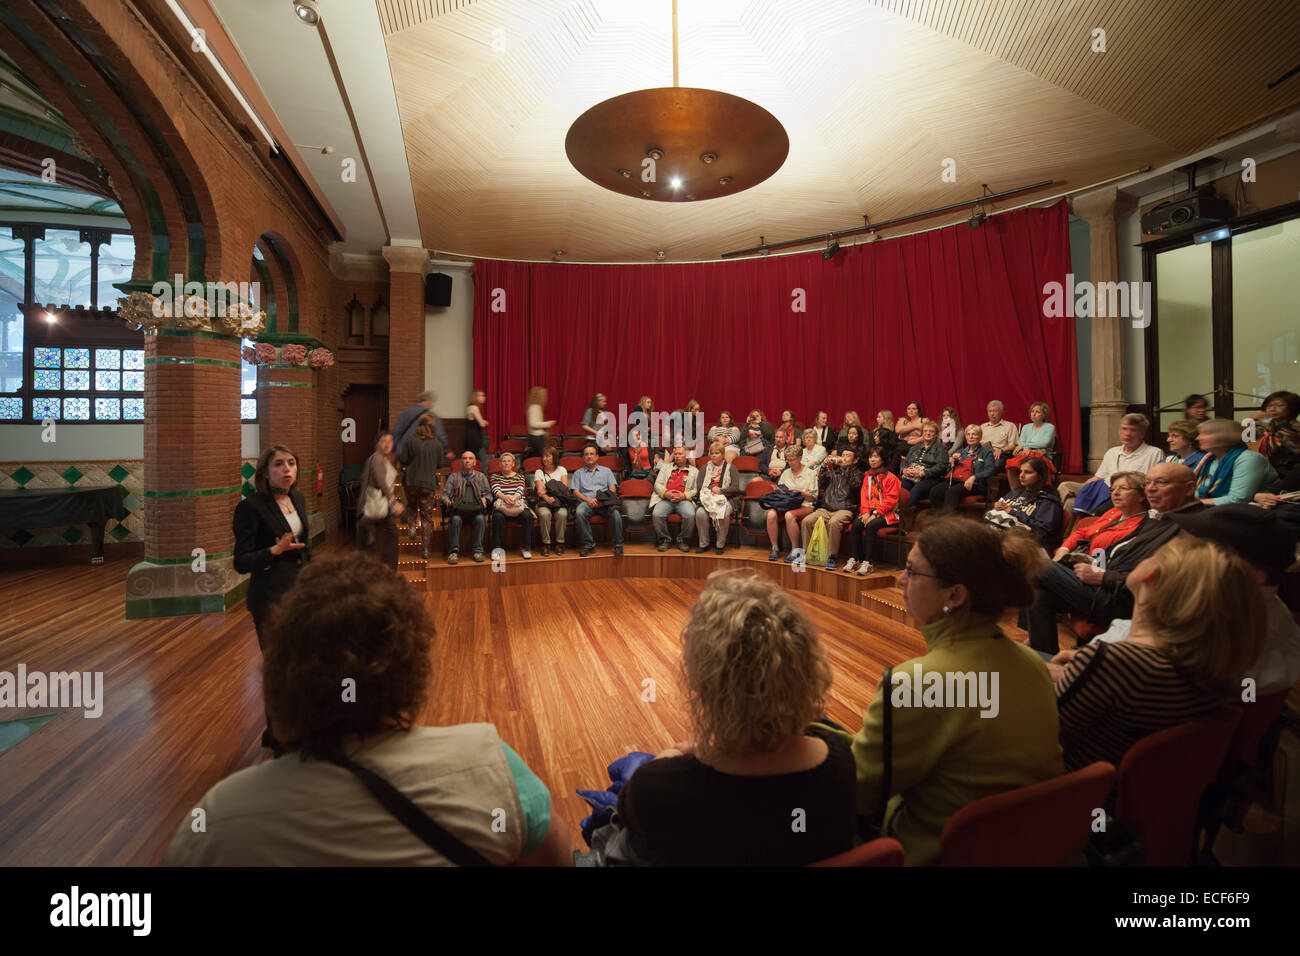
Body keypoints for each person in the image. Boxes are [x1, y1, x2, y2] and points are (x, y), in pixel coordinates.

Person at [164, 553, 570, 866]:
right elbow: (556, 858)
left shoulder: (217, 821)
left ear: (282, 669)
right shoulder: (491, 765)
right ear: (412, 664)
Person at [850, 520, 1063, 865]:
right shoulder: (1032, 663)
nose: (901, 580)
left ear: (955, 595)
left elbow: (858, 795)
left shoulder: (918, 683)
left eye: (912, 571)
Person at [615, 572, 855, 866]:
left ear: (705, 680)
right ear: (804, 667)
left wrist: (669, 761)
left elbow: (629, 815)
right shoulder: (841, 760)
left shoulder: (657, 789)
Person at [1052, 536, 1264, 773]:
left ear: (1151, 576)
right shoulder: (1213, 669)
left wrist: (1051, 672)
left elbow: (1041, 735)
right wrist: (1080, 674)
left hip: (1063, 786)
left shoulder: (1115, 661)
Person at [1083, 504, 1300, 698]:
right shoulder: (1266, 611)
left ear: (1249, 572)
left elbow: (1130, 674)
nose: (1175, 552)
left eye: (1194, 548)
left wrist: (1089, 666)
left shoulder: (1213, 624)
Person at [1021, 462, 1207, 654]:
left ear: (1189, 488)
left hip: (1122, 598)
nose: (1150, 488)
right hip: (1104, 582)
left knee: (1034, 562)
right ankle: (1044, 657)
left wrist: (1104, 576)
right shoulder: (1157, 518)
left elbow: (1166, 583)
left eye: (1161, 483)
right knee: (1039, 591)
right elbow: (1116, 550)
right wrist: (1089, 564)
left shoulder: (1192, 527)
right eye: (1149, 482)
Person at [233, 443, 311, 754]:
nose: (287, 469)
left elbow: (306, 550)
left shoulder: (299, 499)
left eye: (291, 463)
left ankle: (296, 729)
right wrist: (273, 551)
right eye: (279, 464)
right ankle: (280, 738)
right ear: (265, 472)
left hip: (301, 593)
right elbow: (241, 561)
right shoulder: (251, 507)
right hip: (270, 596)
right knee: (280, 667)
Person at [1057, 413, 1163, 516]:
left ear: (1142, 433)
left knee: (1072, 503)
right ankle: (1064, 531)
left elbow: (1154, 483)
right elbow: (1098, 477)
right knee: (1066, 487)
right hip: (1104, 489)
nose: (1127, 434)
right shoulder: (1112, 452)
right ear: (1119, 431)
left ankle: (1070, 529)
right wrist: (1085, 490)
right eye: (1124, 429)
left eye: (1133, 430)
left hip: (1126, 494)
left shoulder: (1153, 453)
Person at [1050, 472, 1147, 566]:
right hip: (1077, 560)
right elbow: (1083, 531)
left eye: (1123, 488)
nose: (1115, 493)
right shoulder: (1114, 512)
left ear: (1142, 495)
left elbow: (1107, 563)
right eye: (1112, 489)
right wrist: (1064, 549)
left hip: (1094, 572)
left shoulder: (1142, 525)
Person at [799, 447, 865, 571]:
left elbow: (855, 485)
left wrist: (846, 468)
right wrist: (824, 467)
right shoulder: (833, 471)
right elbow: (821, 485)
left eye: (848, 455)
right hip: (827, 508)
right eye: (843, 455)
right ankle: (806, 553)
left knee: (834, 522)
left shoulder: (858, 473)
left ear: (855, 460)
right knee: (807, 521)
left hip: (845, 508)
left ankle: (832, 556)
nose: (843, 457)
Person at [843, 447, 901, 576]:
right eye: (870, 457)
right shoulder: (867, 476)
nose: (872, 460)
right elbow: (864, 497)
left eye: (876, 457)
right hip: (870, 511)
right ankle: (855, 559)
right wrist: (865, 512)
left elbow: (890, 501)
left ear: (883, 459)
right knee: (856, 524)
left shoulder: (892, 478)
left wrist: (875, 514)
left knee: (870, 525)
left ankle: (868, 562)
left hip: (887, 513)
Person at [986, 457, 1063, 549]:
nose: (1021, 476)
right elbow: (1000, 509)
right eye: (1020, 471)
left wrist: (1012, 511)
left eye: (1028, 472)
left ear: (1040, 476)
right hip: (997, 535)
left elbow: (1043, 531)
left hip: (1025, 545)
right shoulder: (1016, 493)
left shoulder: (1048, 499)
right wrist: (997, 507)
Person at [1195, 418, 1276, 505]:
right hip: (1216, 510)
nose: (1197, 438)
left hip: (1250, 512)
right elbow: (1202, 489)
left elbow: (1238, 499)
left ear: (1224, 436)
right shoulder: (1210, 459)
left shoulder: (1249, 459)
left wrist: (1194, 503)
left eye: (1205, 434)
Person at [399, 414, 444, 560]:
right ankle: (425, 550)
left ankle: (412, 526)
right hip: (428, 483)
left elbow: (403, 459)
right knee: (426, 517)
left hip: (411, 481)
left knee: (411, 506)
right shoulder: (437, 443)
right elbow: (439, 464)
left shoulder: (410, 440)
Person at [357, 431, 403, 568]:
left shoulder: (382, 459)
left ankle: (386, 578)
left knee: (388, 543)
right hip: (374, 510)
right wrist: (393, 501)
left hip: (380, 510)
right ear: (377, 443)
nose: (387, 444)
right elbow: (380, 481)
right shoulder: (377, 458)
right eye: (383, 441)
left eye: (390, 441)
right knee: (379, 549)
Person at [766, 445, 818, 561]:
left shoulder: (810, 473)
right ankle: (775, 547)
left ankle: (795, 550)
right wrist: (779, 491)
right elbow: (781, 491)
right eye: (788, 459)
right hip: (787, 504)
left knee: (789, 515)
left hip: (805, 505)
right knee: (771, 514)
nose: (789, 462)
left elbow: (813, 498)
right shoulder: (786, 473)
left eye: (792, 459)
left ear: (800, 458)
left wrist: (801, 492)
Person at [571, 444, 623, 557]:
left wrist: (602, 500)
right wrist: (588, 500)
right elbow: (575, 491)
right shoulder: (578, 473)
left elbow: (612, 489)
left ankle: (618, 545)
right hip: (587, 502)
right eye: (586, 454)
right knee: (580, 512)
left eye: (591, 454)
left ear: (597, 456)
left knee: (616, 514)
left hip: (604, 503)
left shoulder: (607, 471)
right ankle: (589, 545)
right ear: (583, 457)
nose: (589, 456)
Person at [440, 450, 491, 564]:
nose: (467, 461)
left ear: (474, 463)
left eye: (470, 458)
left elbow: (488, 493)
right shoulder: (453, 477)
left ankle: (478, 551)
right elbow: (444, 495)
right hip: (458, 510)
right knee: (455, 519)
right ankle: (454, 552)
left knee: (480, 519)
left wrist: (485, 499)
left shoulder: (481, 477)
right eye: (465, 458)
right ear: (461, 462)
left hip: (476, 510)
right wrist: (447, 501)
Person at [930, 424, 997, 510]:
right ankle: (939, 518)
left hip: (976, 484)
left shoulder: (986, 453)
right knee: (935, 491)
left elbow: (991, 470)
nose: (971, 437)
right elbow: (948, 472)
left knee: (952, 492)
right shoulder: (960, 452)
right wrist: (952, 463)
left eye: (974, 434)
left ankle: (949, 521)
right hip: (957, 481)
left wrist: (974, 477)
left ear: (980, 437)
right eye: (968, 434)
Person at [695, 441, 741, 554]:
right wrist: (711, 489)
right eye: (712, 453)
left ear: (723, 455)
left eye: (717, 453)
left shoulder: (731, 468)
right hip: (708, 498)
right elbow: (700, 485)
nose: (714, 455)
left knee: (723, 514)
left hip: (726, 498)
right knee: (700, 513)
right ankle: (703, 544)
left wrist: (721, 491)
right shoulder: (704, 468)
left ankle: (720, 545)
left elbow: (735, 487)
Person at [650, 445, 698, 552]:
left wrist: (684, 495)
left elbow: (696, 489)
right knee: (657, 513)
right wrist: (666, 493)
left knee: (690, 514)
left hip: (684, 500)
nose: (677, 456)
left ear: (686, 456)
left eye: (680, 454)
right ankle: (664, 540)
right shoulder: (666, 467)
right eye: (675, 454)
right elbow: (657, 484)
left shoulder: (694, 471)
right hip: (666, 499)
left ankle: (683, 540)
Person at [490, 453, 534, 560]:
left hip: (517, 504)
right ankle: (497, 549)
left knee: (527, 516)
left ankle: (526, 549)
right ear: (500, 464)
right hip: (502, 506)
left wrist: (513, 499)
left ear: (513, 463)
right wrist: (505, 498)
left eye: (509, 461)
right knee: (497, 517)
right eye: (504, 461)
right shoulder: (494, 476)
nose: (506, 463)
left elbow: (520, 491)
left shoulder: (520, 476)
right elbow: (496, 491)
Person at [1005, 401, 1056, 490]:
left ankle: (1041, 492)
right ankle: (1016, 492)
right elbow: (1020, 442)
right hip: (1025, 454)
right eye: (1032, 411)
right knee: (1010, 466)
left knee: (1033, 464)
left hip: (1042, 455)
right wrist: (1025, 447)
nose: (1034, 414)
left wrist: (1026, 446)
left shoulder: (1049, 427)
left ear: (1044, 414)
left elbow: (1044, 443)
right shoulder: (1026, 427)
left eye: (1037, 412)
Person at [899, 420, 948, 507]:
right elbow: (906, 462)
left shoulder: (941, 448)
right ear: (922, 433)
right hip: (911, 476)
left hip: (930, 478)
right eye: (925, 431)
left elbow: (942, 466)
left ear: (936, 434)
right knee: (901, 488)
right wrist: (904, 470)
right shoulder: (915, 447)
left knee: (916, 489)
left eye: (931, 431)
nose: (928, 433)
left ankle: (905, 513)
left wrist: (923, 473)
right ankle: (893, 513)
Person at [533, 445, 569, 556]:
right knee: (544, 514)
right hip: (544, 502)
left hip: (559, 502)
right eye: (543, 456)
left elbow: (564, 488)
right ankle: (546, 543)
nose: (545, 459)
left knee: (562, 514)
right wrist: (547, 496)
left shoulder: (562, 470)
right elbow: (539, 491)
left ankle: (559, 543)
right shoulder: (538, 472)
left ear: (554, 457)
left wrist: (548, 491)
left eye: (548, 456)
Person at [392, 390, 450, 459]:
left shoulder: (405, 412)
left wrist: (393, 449)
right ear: (429, 402)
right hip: (423, 453)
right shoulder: (432, 416)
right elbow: (440, 435)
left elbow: (396, 432)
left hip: (403, 451)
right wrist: (446, 450)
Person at [1257, 390, 1300, 479]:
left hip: (1290, 472)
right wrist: (1248, 422)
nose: (1272, 409)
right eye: (1269, 405)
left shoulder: (1296, 429)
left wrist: (1297, 441)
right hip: (1265, 469)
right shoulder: (1263, 428)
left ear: (1292, 408)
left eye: (1279, 405)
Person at [524, 386, 555, 463]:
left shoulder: (535, 407)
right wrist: (548, 424)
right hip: (537, 438)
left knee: (537, 458)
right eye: (543, 395)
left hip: (537, 437)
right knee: (546, 458)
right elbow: (533, 424)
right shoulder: (534, 407)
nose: (545, 397)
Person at [871, 410, 900, 474]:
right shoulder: (875, 431)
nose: (877, 419)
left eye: (879, 417)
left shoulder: (893, 434)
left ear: (885, 419)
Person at [465, 389, 489, 463]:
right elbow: (481, 423)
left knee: (475, 459)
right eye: (481, 396)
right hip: (475, 438)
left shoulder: (470, 407)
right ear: (475, 397)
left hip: (471, 436)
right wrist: (485, 422)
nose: (484, 397)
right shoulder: (474, 407)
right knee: (479, 460)